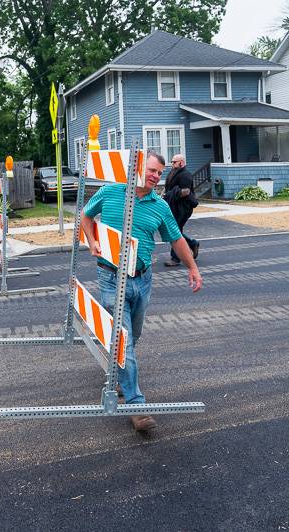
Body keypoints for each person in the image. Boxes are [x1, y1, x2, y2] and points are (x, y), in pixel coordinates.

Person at [81, 151, 202, 432]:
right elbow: (86, 217)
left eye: (159, 173)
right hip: (111, 277)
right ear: (137, 167)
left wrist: (192, 268)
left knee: (132, 336)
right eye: (151, 170)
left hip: (143, 278)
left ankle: (119, 374)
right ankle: (136, 403)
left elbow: (177, 239)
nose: (155, 176)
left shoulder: (159, 206)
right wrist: (92, 242)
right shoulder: (110, 192)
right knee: (123, 338)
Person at [162, 153, 200, 267]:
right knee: (175, 231)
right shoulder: (174, 172)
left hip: (183, 208)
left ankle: (175, 258)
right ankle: (192, 243)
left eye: (174, 162)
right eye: (172, 162)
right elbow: (169, 187)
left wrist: (170, 194)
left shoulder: (185, 175)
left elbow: (186, 192)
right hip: (174, 207)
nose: (172, 164)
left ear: (181, 163)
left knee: (174, 231)